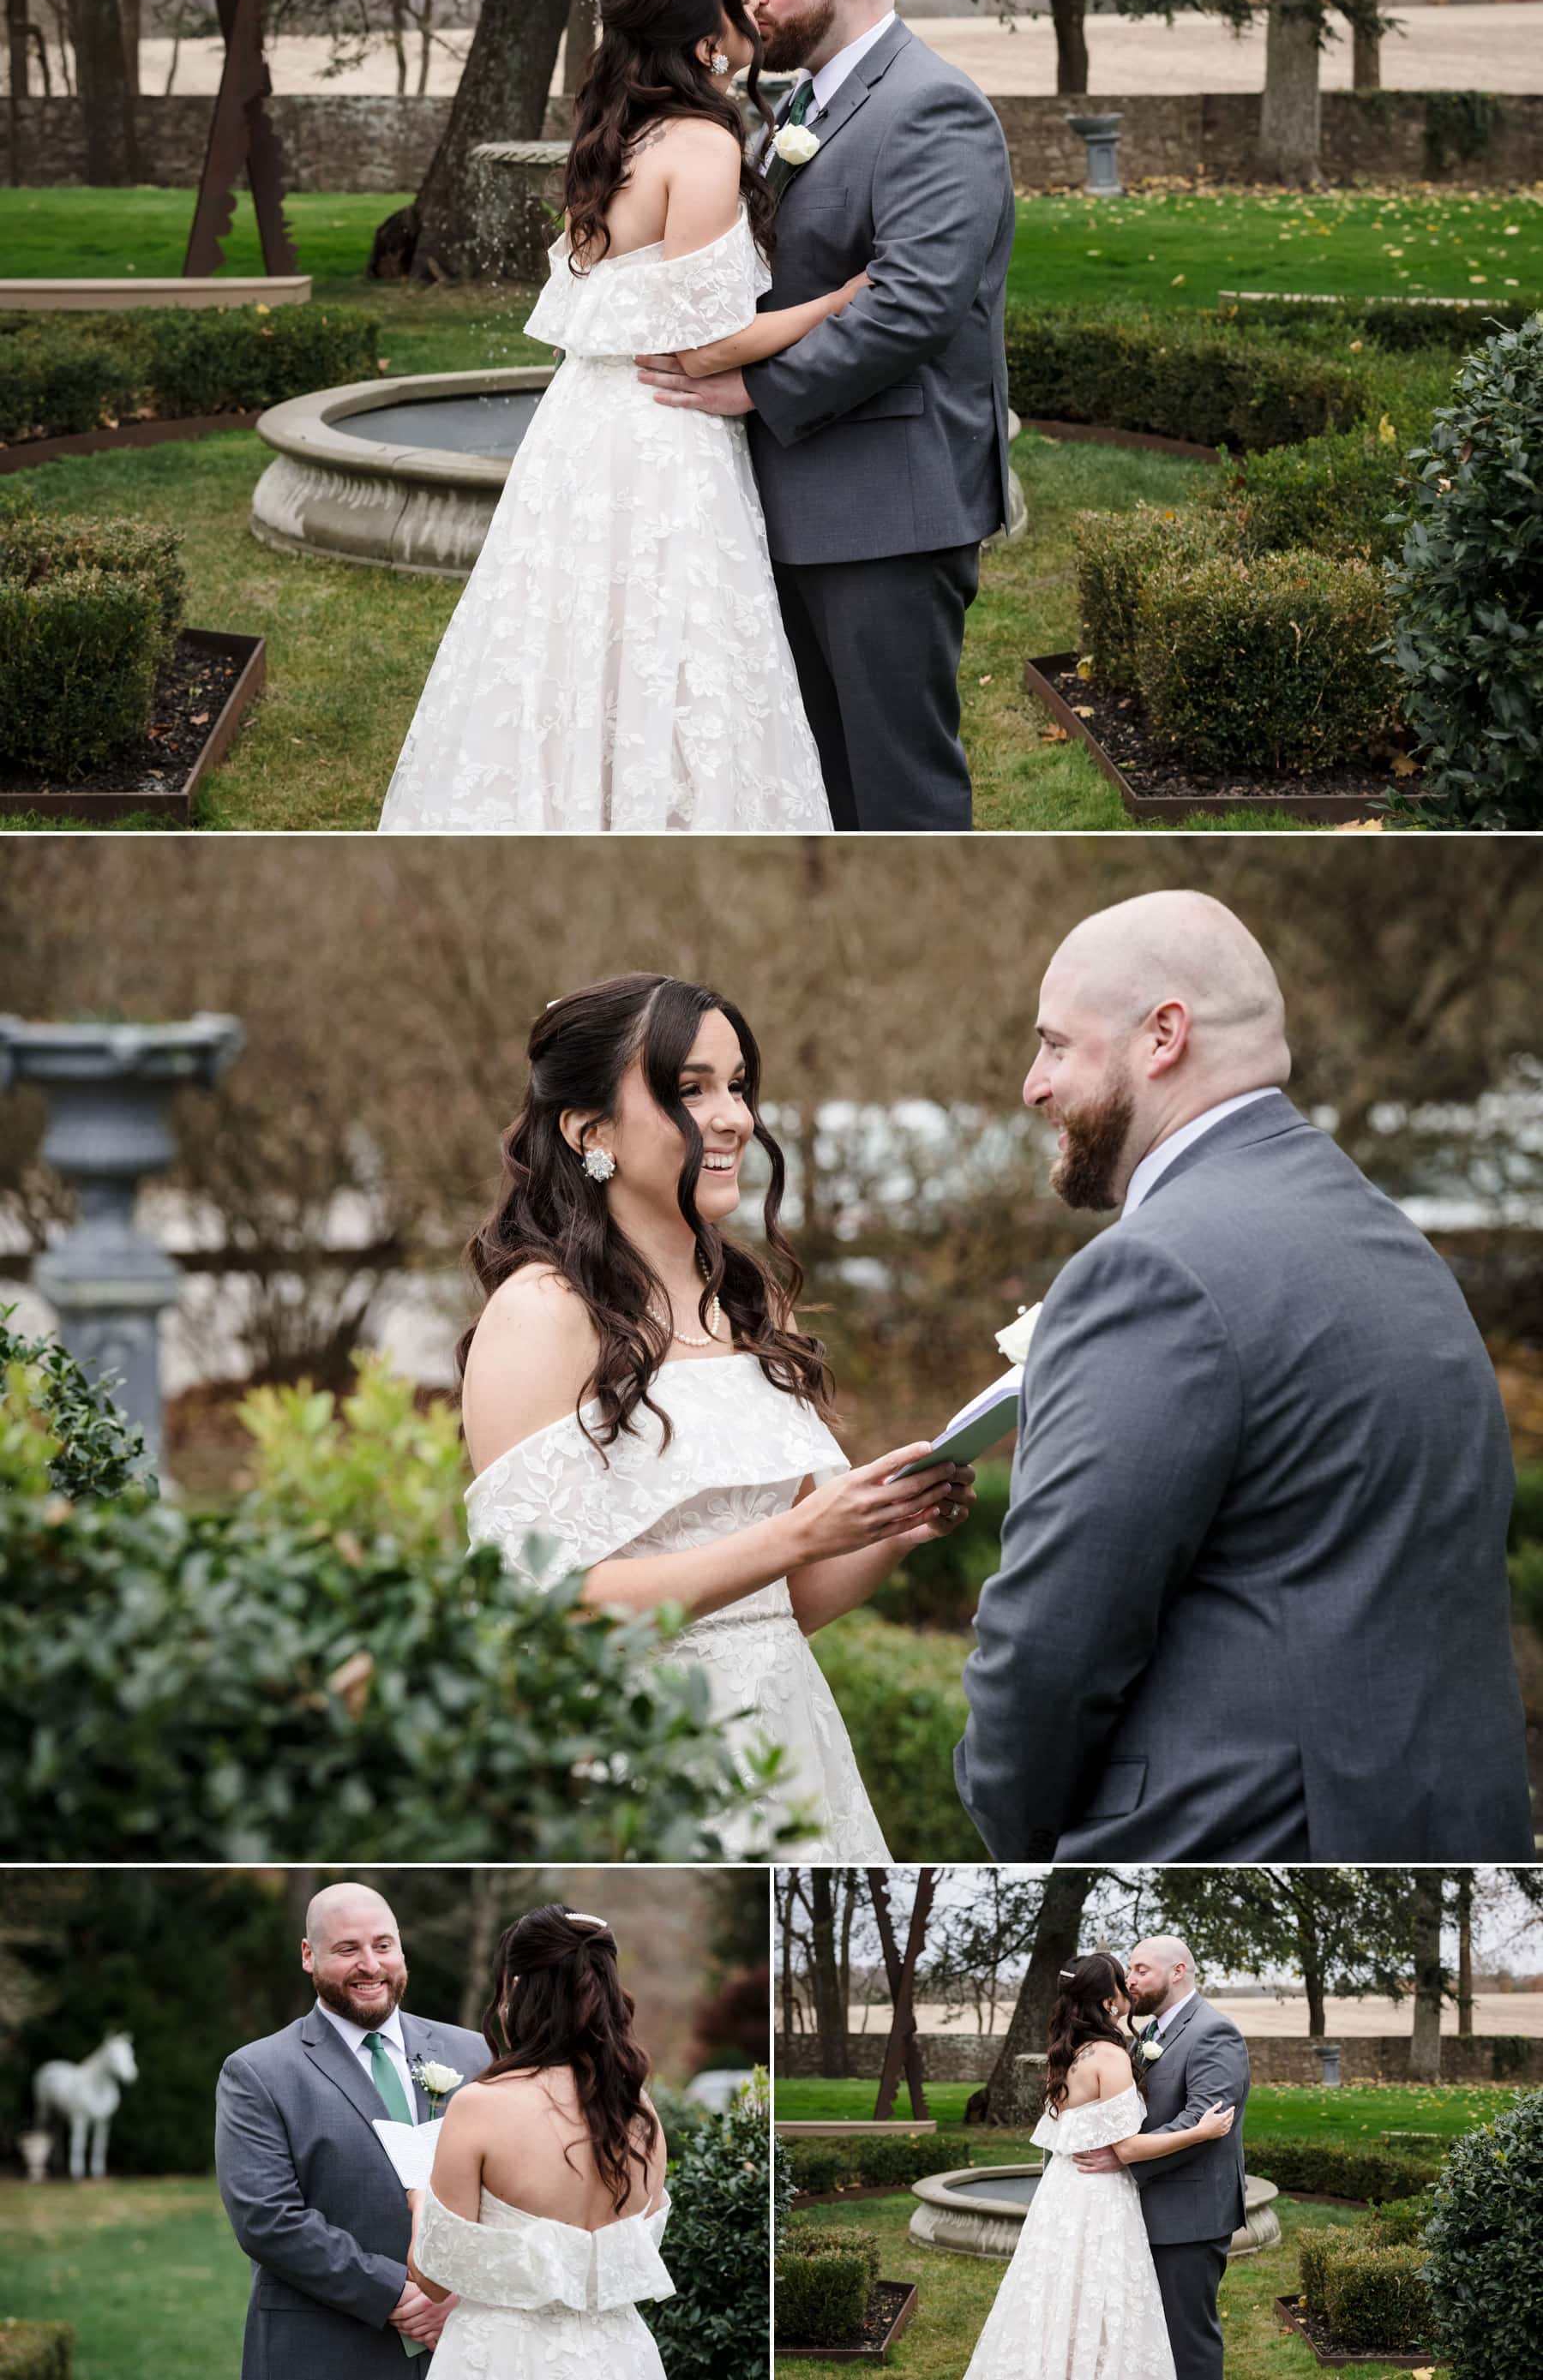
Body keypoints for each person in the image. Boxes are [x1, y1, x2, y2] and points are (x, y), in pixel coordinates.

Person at [955, 888, 1534, 1862]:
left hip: (1242, 1836)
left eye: (1056, 1045)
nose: (1033, 1084)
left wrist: (1017, 1834)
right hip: (1439, 1822)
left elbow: (1053, 1645)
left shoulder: (1154, 1268)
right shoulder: (1387, 1235)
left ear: (1162, 1036)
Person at [456, 974, 975, 1858]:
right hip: (638, 1758)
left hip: (790, 1744)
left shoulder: (754, 1304)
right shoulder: (542, 1312)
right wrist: (795, 1538)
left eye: (738, 1086)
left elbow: (789, 1602)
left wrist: (890, 1526)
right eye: (690, 1091)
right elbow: (529, 1615)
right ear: (591, 1132)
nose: (733, 1117)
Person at [379, 0, 869, 831]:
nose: (751, 13)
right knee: (669, 636)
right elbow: (704, 346)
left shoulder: (613, 134)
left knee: (563, 637)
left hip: (578, 429)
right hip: (661, 434)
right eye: (735, 0)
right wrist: (836, 301)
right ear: (706, 41)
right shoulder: (702, 143)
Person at [636, 0, 1015, 831]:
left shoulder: (931, 104)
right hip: (799, 499)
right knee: (816, 782)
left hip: (885, 509)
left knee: (897, 790)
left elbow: (916, 302)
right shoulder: (792, 107)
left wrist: (754, 387)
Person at [214, 1881, 489, 2377]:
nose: (371, 1964)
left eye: (383, 1945)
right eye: (348, 1949)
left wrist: (461, 2290)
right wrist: (395, 2294)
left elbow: (508, 2194)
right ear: (308, 1955)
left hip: (463, 2344)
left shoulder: (473, 2054)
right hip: (326, 2348)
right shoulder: (259, 2072)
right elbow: (266, 2219)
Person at [405, 1904, 676, 2379]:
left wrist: (420, 2202)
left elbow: (431, 2277)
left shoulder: (482, 2106)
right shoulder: (640, 2114)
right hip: (621, 2357)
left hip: (505, 2358)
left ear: (515, 1988)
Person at [963, 1948, 1243, 2380]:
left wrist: (1132, 2149)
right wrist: (1190, 2134)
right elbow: (1132, 2141)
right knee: (1107, 2320)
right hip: (1103, 2202)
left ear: (1178, 1971)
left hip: (1178, 2212)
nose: (1131, 1979)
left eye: (1140, 1970)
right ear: (1107, 1999)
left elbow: (1201, 2108)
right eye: (1125, 1972)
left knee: (1163, 2332)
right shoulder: (1118, 2048)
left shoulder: (1210, 2032)